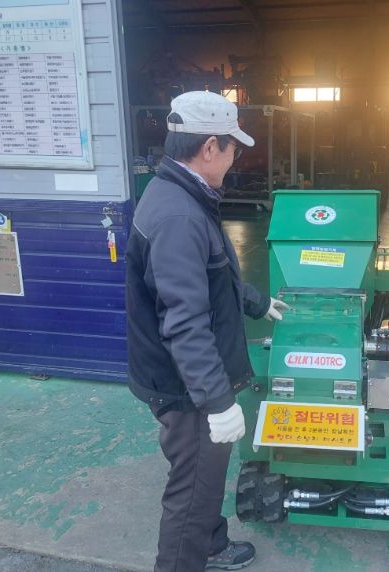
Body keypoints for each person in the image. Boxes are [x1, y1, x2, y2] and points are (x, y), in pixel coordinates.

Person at [126, 90, 288, 571]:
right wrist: (217, 401)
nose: (236, 159)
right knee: (193, 491)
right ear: (210, 147)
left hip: (187, 379)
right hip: (187, 388)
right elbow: (184, 320)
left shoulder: (181, 193)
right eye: (234, 147)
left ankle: (212, 545)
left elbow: (209, 277)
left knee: (205, 477)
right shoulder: (179, 215)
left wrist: (256, 301)